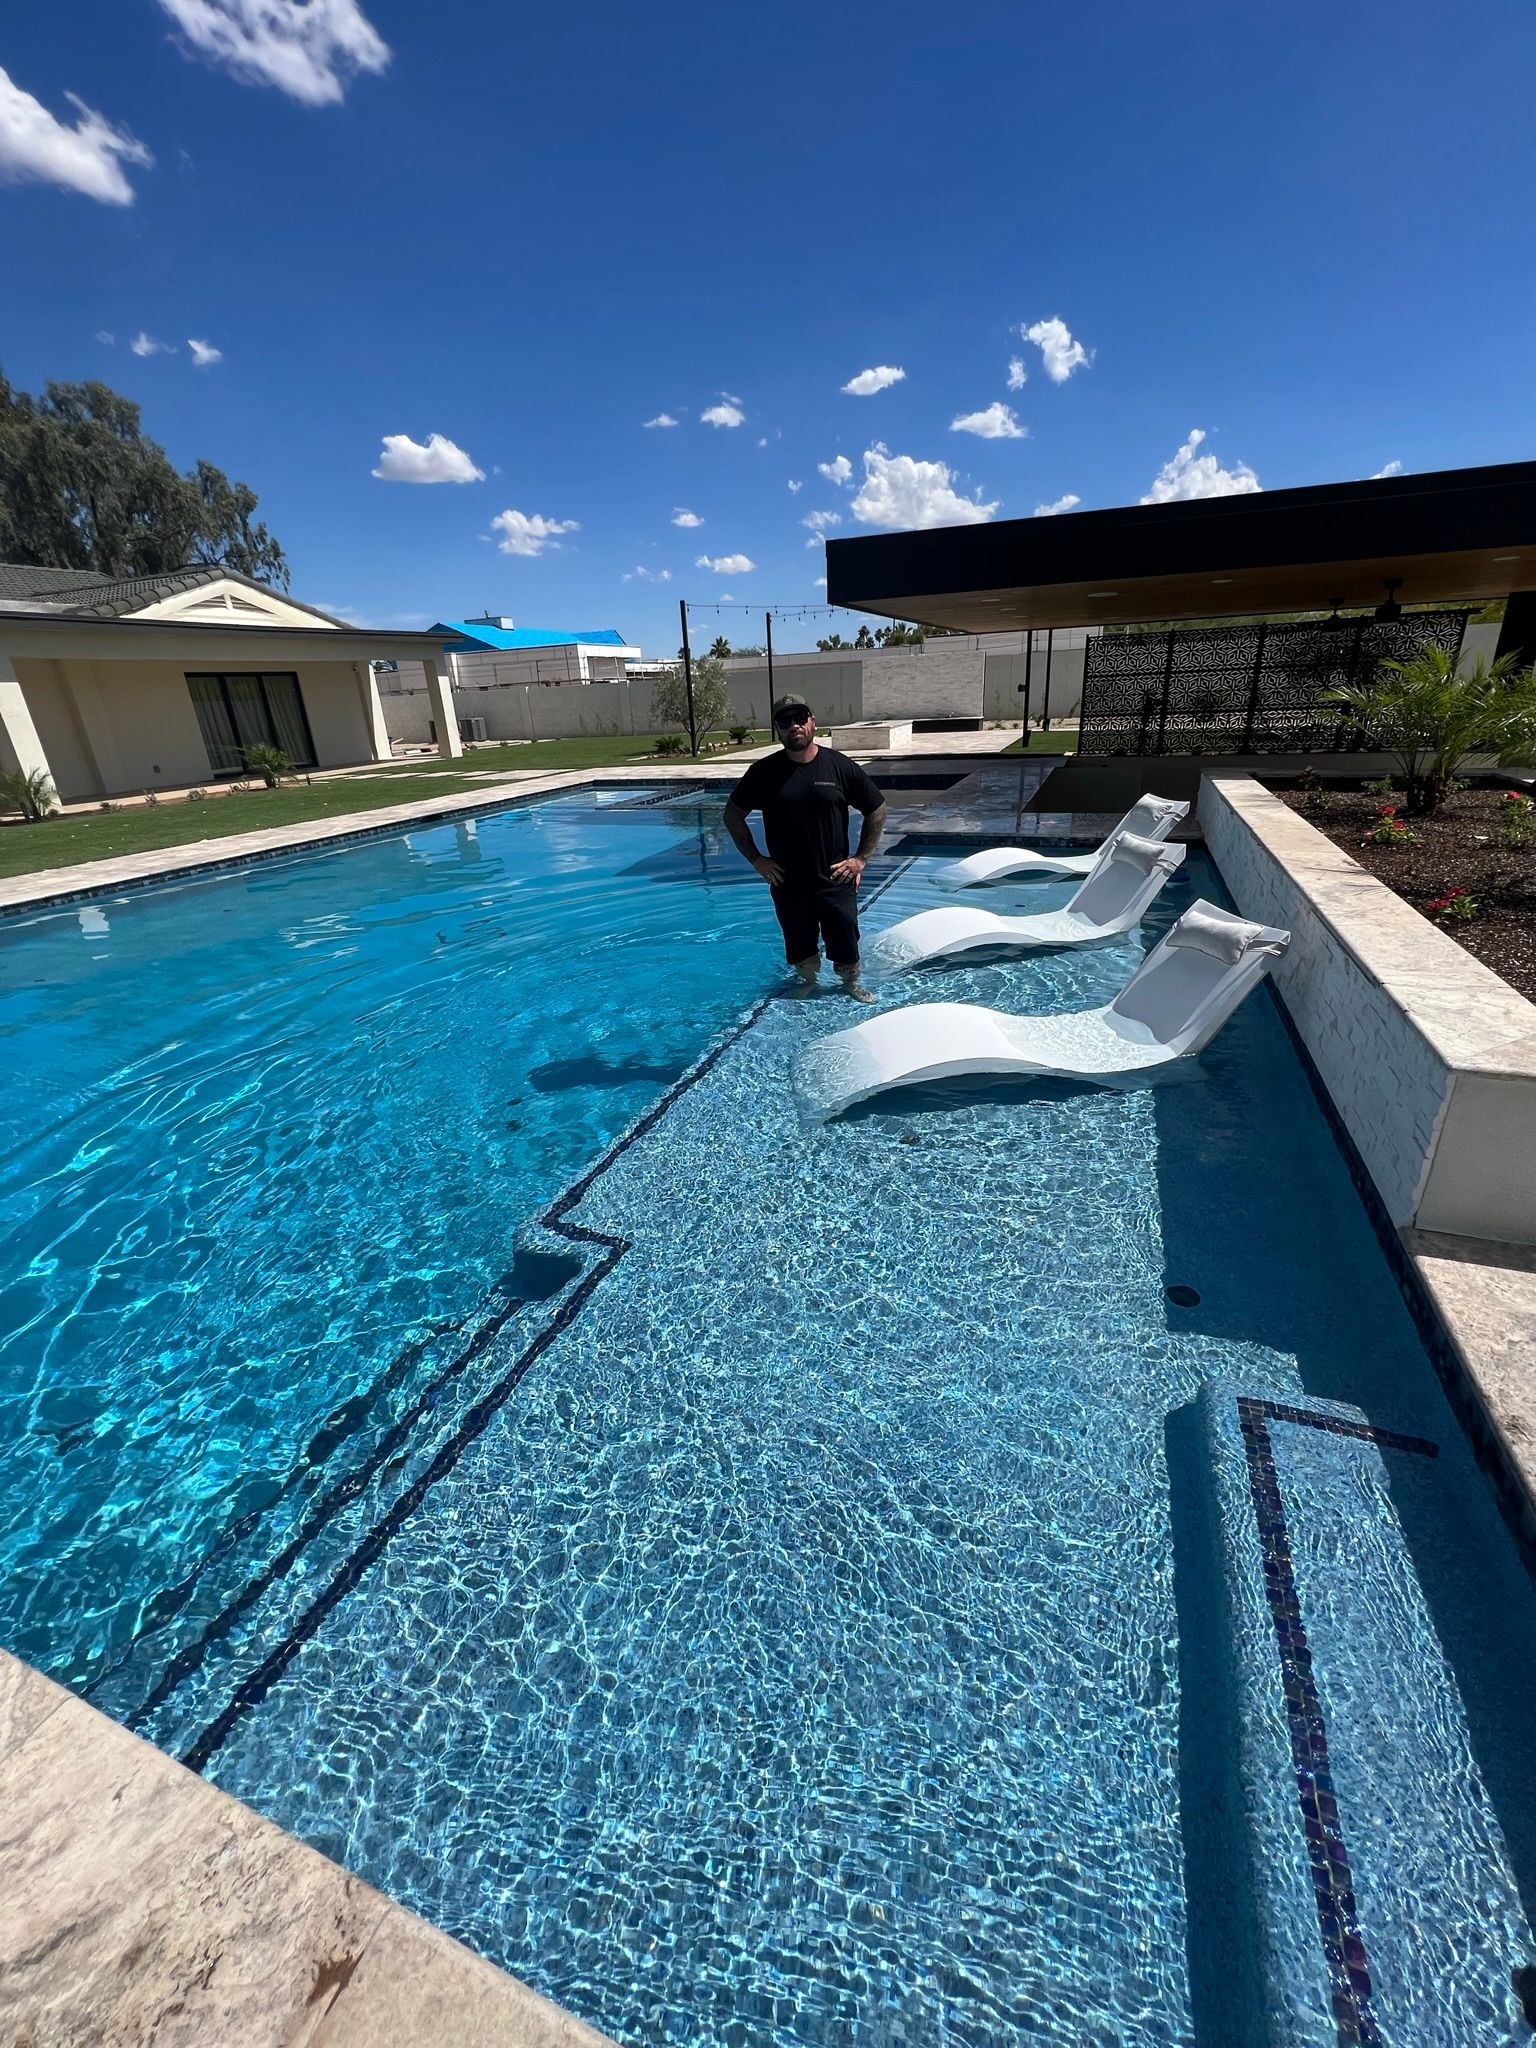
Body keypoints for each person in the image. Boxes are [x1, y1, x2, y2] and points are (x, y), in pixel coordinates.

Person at [723, 692, 887, 1000]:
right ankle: (808, 982)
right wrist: (757, 859)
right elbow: (732, 815)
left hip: (836, 879)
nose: (794, 725)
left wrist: (860, 860)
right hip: (789, 882)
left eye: (800, 718)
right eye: (785, 721)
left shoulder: (838, 766)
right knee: (800, 948)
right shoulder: (764, 772)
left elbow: (876, 809)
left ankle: (850, 985)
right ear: (778, 729)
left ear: (813, 722)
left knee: (847, 947)